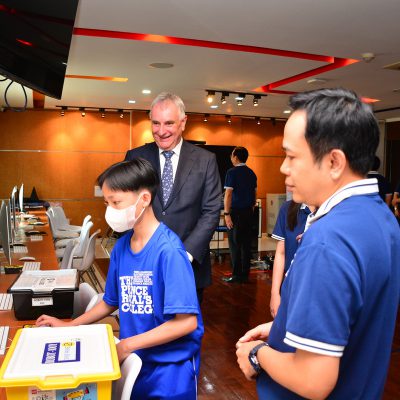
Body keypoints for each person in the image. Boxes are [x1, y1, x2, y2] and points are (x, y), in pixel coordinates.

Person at [235, 88, 400, 399]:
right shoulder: (381, 217)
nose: (283, 167)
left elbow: (313, 380)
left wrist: (257, 354)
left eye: (291, 156)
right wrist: (284, 328)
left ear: (334, 161)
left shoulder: (327, 239)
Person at [37, 159, 203, 400]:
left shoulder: (169, 251)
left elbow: (186, 323)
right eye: (107, 203)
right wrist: (70, 325)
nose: (110, 211)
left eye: (116, 202)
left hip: (168, 371)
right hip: (134, 359)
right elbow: (110, 301)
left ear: (144, 199)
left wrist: (126, 345)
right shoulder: (122, 247)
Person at [125, 92, 221, 303]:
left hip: (189, 267)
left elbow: (211, 211)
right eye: (155, 123)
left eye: (169, 123)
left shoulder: (205, 160)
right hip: (143, 264)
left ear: (183, 122)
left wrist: (184, 254)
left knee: (184, 324)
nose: (161, 131)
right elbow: (126, 206)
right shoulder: (135, 158)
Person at [269, 201, 314, 318]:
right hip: (291, 287)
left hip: (316, 288)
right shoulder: (287, 208)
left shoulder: (332, 210)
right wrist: (275, 293)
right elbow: (281, 253)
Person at [222, 146, 257, 283]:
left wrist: (226, 214)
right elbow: (254, 194)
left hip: (235, 213)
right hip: (248, 212)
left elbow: (228, 194)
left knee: (234, 244)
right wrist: (251, 208)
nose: (231, 157)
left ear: (235, 157)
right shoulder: (251, 173)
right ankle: (245, 275)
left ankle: (236, 275)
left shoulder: (232, 172)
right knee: (246, 244)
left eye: (232, 155)